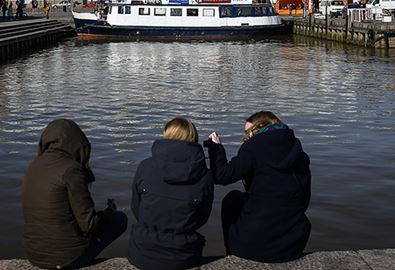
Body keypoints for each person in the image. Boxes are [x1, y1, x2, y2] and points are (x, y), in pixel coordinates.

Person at [204, 111, 311, 263]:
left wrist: (216, 148)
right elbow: (304, 200)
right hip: (292, 245)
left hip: (251, 247)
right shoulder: (299, 153)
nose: (245, 137)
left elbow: (222, 176)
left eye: (248, 132)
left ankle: (231, 256)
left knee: (233, 199)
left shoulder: (253, 148)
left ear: (259, 128)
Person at [22, 119, 127, 269]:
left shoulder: (34, 165)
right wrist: (109, 213)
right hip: (65, 258)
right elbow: (89, 225)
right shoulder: (71, 170)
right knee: (119, 219)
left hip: (34, 254)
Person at [128, 118, 213, 270]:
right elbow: (202, 217)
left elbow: (136, 207)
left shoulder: (145, 166)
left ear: (166, 135)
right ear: (193, 138)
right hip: (183, 256)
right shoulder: (205, 176)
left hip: (141, 252)